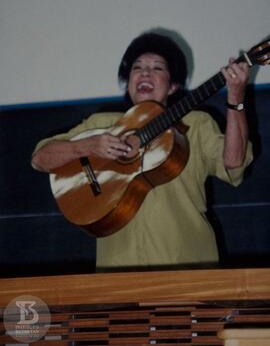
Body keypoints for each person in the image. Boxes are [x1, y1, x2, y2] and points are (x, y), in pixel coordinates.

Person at [31, 31, 253, 271]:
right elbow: (41, 158)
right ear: (128, 83)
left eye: (158, 68)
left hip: (189, 264)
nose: (145, 73)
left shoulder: (196, 123)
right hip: (118, 271)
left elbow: (233, 162)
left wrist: (235, 100)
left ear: (173, 86)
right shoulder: (102, 123)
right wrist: (88, 145)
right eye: (137, 68)